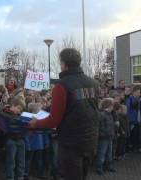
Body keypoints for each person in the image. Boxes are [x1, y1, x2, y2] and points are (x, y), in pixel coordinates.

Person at [28, 48, 100, 180]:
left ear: (64, 64)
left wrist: (36, 123)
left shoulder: (61, 86)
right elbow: (84, 106)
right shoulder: (93, 83)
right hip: (90, 139)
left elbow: (54, 120)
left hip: (71, 142)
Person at [0, 97, 26, 180]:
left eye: (21, 110)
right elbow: (4, 128)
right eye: (18, 108)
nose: (19, 111)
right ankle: (10, 177)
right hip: (11, 140)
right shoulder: (4, 114)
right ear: (13, 106)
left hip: (21, 139)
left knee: (21, 161)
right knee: (11, 161)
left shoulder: (20, 115)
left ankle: (20, 177)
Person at [96, 98, 116, 175]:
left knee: (109, 153)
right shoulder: (101, 114)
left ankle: (108, 166)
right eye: (111, 106)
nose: (112, 107)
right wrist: (104, 134)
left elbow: (111, 125)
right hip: (103, 138)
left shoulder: (110, 114)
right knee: (101, 153)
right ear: (108, 106)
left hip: (109, 137)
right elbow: (99, 127)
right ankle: (99, 167)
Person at [125, 86, 141, 151]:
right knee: (132, 135)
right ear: (134, 92)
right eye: (139, 92)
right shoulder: (129, 99)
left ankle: (136, 147)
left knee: (137, 134)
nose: (140, 94)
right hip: (132, 121)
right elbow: (127, 110)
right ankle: (132, 147)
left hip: (137, 120)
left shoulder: (138, 99)